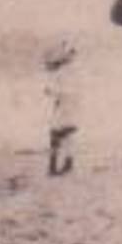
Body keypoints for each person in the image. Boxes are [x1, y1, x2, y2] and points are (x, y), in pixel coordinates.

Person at [42, 39, 79, 177]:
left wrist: (49, 91)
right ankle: (68, 163)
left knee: (55, 134)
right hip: (71, 104)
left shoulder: (62, 71)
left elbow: (57, 90)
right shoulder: (73, 69)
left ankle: (53, 166)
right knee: (68, 133)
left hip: (64, 104)